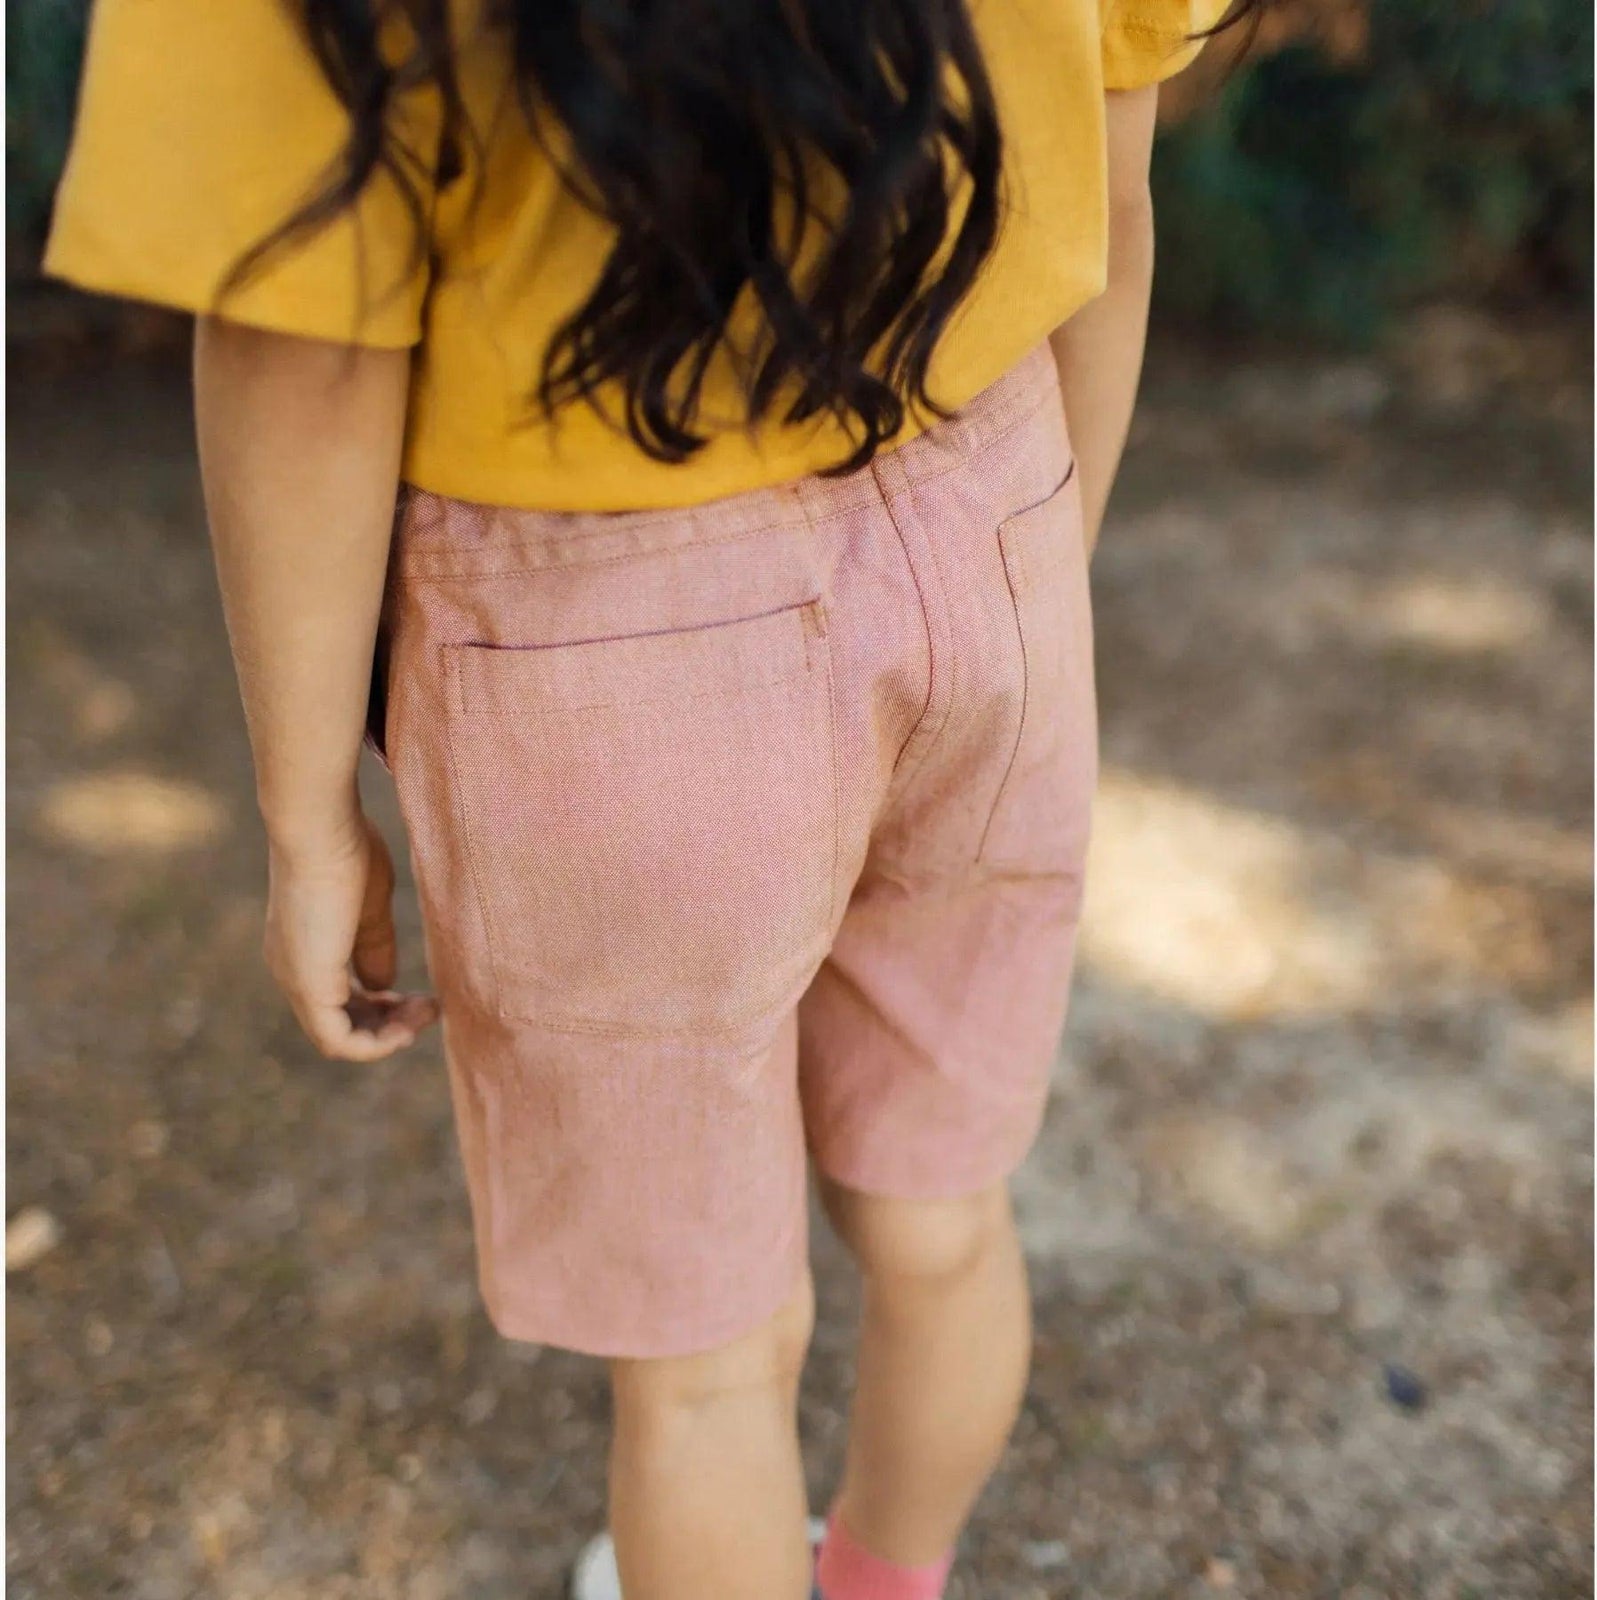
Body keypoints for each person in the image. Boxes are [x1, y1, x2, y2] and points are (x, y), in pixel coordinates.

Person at [45, 0, 1247, 1594]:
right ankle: (885, 1578)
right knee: (944, 1217)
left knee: (704, 1371)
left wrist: (302, 806)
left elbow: (300, 346)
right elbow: (1117, 168)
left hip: (605, 627)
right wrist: (1037, 581)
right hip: (992, 494)